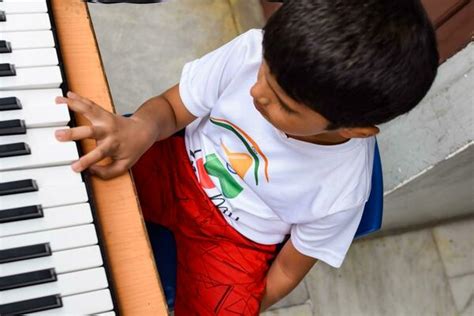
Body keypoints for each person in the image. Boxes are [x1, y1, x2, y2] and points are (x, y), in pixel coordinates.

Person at [55, 0, 438, 314]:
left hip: (235, 242)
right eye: (263, 72)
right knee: (73, 161)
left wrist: (241, 304)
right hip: (175, 164)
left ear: (352, 129)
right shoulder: (251, 50)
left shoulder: (344, 190)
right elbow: (171, 109)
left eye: (283, 105)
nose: (256, 93)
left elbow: (287, 270)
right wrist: (142, 126)